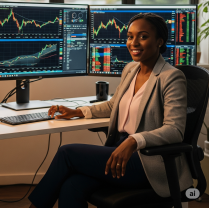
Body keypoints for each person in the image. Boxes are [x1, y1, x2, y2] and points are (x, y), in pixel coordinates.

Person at [28, 13, 193, 208]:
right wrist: (78, 112)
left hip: (148, 161)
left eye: (143, 36)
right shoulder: (131, 69)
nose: (134, 43)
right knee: (71, 186)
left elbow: (174, 129)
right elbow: (113, 105)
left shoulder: (171, 77)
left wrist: (134, 140)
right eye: (130, 36)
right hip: (118, 151)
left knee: (67, 153)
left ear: (159, 41)